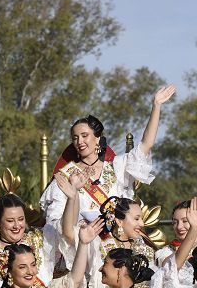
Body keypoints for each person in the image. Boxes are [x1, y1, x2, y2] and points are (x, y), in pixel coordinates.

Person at [39, 85, 176, 231]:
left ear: (97, 138)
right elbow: (54, 221)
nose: (80, 141)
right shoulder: (66, 176)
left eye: (85, 136)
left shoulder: (116, 167)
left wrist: (156, 106)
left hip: (118, 244)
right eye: (75, 138)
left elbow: (145, 145)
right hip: (83, 244)